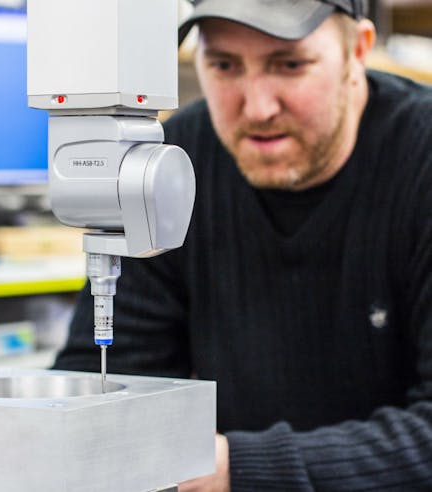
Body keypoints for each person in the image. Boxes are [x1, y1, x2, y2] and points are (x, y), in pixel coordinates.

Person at [54, 0, 432, 490]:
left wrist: (238, 469)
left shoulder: (420, 160)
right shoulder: (170, 165)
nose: (256, 107)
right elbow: (100, 377)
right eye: (224, 65)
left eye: (290, 65)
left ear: (357, 51)